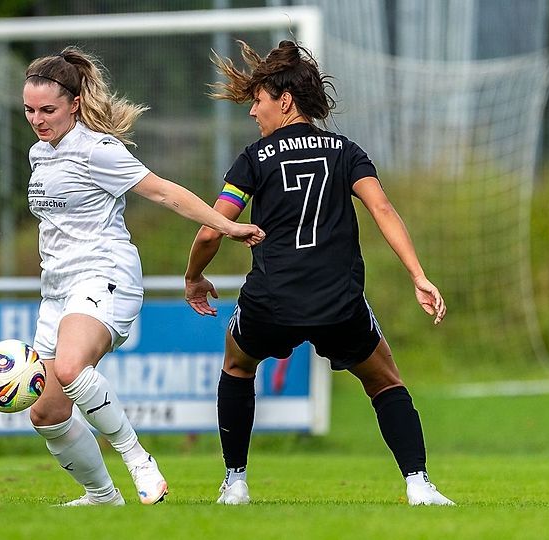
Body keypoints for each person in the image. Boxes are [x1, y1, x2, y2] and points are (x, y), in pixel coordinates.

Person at [184, 40, 454, 506]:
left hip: (272, 301)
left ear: (284, 100)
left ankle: (236, 482)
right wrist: (418, 275)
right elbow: (382, 209)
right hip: (339, 303)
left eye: (258, 101)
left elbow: (212, 230)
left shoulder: (254, 159)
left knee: (236, 365)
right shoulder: (346, 152)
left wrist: (193, 277)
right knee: (386, 381)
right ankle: (418, 484)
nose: (253, 113)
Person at [23, 46, 265, 507]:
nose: (38, 119)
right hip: (56, 291)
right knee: (47, 412)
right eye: (30, 110)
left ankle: (138, 459)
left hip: (104, 276)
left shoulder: (98, 150)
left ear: (75, 103)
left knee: (73, 369)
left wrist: (227, 225)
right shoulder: (40, 153)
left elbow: (165, 192)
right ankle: (102, 496)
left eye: (48, 110)